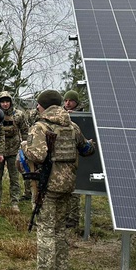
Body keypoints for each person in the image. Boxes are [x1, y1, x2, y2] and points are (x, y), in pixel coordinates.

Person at [24, 89, 95, 270]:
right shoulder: (72, 127)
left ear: (44, 106)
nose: (37, 107)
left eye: (38, 104)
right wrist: (91, 144)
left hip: (47, 186)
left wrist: (24, 147)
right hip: (67, 185)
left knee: (45, 230)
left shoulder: (40, 127)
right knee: (60, 230)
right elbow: (86, 149)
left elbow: (37, 156)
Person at [0, 91, 27, 211]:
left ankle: (14, 203)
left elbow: (25, 131)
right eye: (2, 102)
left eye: (7, 102)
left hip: (14, 150)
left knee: (14, 178)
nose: (5, 104)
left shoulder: (19, 115)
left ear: (11, 102)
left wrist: (25, 148)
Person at [62, 89, 85, 228]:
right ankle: (64, 216)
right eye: (65, 101)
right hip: (62, 155)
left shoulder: (83, 116)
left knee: (75, 189)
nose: (68, 103)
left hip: (76, 156)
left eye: (70, 101)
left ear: (76, 102)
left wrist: (75, 116)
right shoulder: (60, 114)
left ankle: (73, 218)